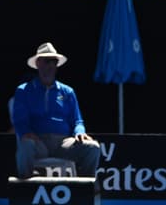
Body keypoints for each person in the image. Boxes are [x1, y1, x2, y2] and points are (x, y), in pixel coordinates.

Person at [12, 42, 101, 179]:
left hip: (63, 143)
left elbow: (77, 120)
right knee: (26, 144)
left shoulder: (68, 91)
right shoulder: (23, 90)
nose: (51, 66)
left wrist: (80, 132)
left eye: (54, 62)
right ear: (38, 63)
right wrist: (26, 132)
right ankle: (25, 185)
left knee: (92, 147)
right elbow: (19, 120)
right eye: (47, 61)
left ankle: (85, 185)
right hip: (38, 141)